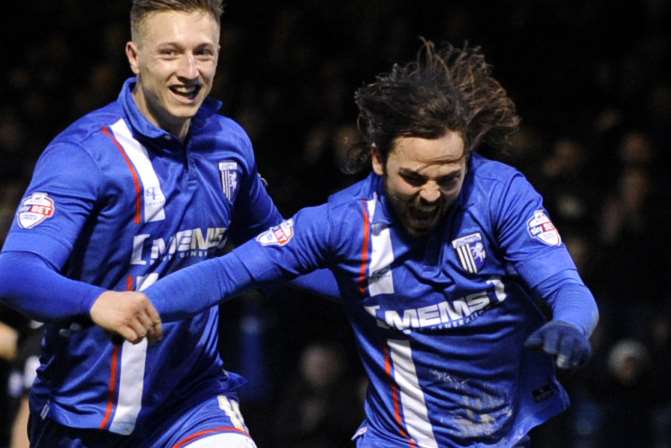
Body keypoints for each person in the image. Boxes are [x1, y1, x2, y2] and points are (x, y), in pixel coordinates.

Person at [140, 40, 599, 447]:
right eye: (414, 178)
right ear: (379, 160)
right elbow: (227, 272)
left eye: (449, 178)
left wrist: (572, 324)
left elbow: (565, 285)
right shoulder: (342, 223)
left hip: (505, 434)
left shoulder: (502, 196)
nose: (432, 194)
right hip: (397, 439)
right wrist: (127, 308)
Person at [0, 1, 336, 446]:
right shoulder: (83, 157)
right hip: (84, 417)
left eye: (203, 52)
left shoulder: (229, 145)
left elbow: (277, 248)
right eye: (170, 53)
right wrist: (97, 302)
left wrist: (372, 284)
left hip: (192, 403)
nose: (190, 70)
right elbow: (14, 271)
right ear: (134, 56)